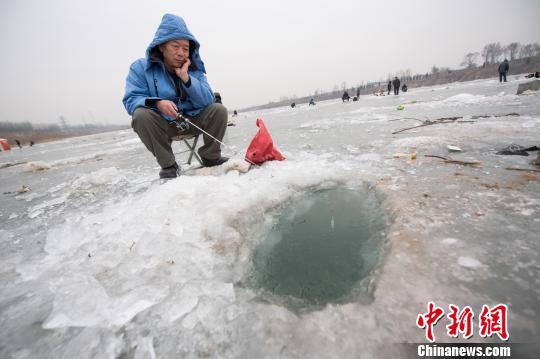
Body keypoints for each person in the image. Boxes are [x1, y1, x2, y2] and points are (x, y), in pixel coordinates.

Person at [123, 14, 228, 179]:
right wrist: (157, 103)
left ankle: (211, 156)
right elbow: (131, 99)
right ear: (161, 47)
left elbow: (208, 100)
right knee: (140, 115)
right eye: (175, 46)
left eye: (185, 48)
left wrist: (186, 78)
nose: (181, 53)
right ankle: (169, 165)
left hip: (192, 120)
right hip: (164, 124)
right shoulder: (140, 68)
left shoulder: (194, 70)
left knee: (218, 110)